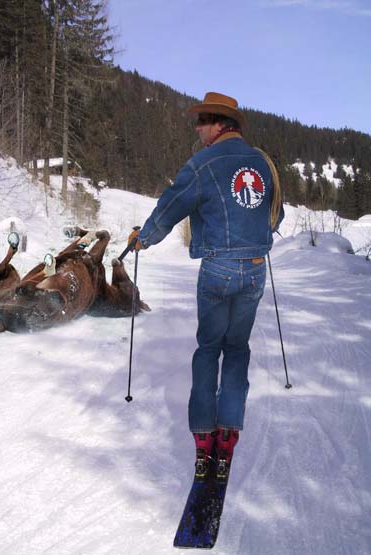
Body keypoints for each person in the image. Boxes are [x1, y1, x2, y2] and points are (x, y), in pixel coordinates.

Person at [128, 92, 284, 478]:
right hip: (254, 269)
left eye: (201, 122)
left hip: (218, 270)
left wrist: (143, 238)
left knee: (208, 348)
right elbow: (277, 212)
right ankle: (229, 430)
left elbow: (170, 206)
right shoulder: (262, 163)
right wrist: (257, 235)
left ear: (219, 125)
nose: (197, 129)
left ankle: (203, 434)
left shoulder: (203, 164)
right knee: (237, 348)